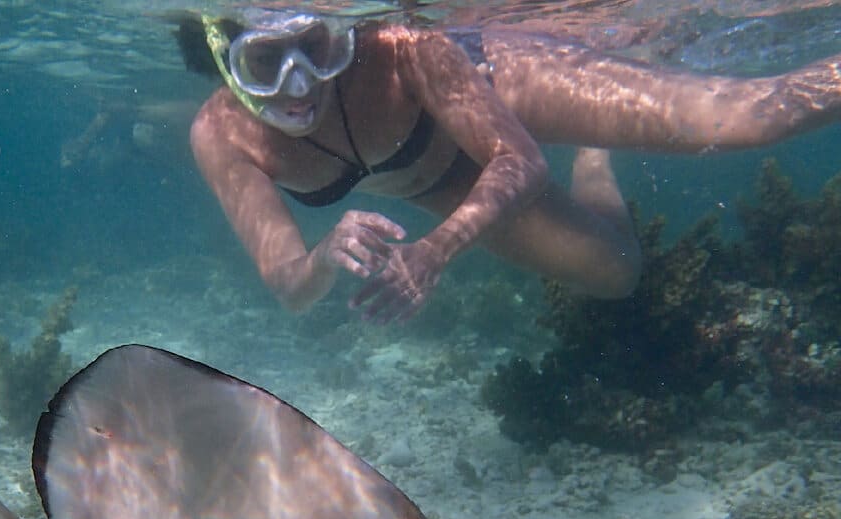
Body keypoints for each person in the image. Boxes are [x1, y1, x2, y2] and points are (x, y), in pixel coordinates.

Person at [177, 10, 841, 321]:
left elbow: (519, 159)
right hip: (442, 179)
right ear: (222, 59)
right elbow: (291, 288)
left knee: (752, 117)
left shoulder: (406, 47)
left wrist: (436, 251)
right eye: (264, 64)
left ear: (338, 30)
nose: (300, 86)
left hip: (501, 83)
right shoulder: (220, 135)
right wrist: (322, 257)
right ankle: (596, 151)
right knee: (616, 272)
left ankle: (596, 117)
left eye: (317, 49)